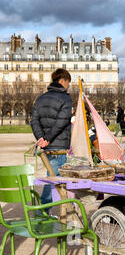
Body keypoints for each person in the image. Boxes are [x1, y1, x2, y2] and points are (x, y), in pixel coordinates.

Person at [30, 68, 72, 208]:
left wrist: (41, 138)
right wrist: (46, 138)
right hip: (58, 146)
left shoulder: (41, 98)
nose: (69, 86)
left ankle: (53, 212)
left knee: (52, 177)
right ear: (62, 81)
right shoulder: (65, 98)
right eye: (68, 82)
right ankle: (45, 212)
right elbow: (62, 121)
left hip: (46, 146)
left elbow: (34, 120)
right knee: (54, 181)